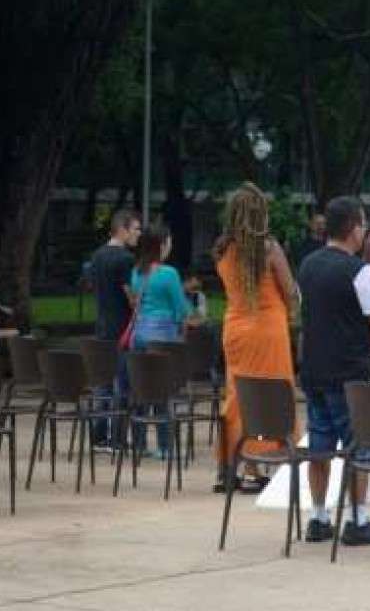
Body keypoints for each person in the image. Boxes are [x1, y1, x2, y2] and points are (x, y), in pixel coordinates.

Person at [296, 195, 370, 547]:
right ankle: (357, 518)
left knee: (319, 445)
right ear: (354, 228)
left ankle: (319, 516)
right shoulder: (359, 270)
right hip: (350, 373)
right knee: (358, 447)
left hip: (314, 370)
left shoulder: (307, 265)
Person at [212, 182, 298, 495]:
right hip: (268, 328)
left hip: (235, 326)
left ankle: (230, 466)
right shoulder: (269, 248)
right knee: (273, 395)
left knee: (238, 394)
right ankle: (258, 463)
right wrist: (293, 312)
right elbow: (288, 289)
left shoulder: (223, 248)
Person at [125, 224, 199, 455]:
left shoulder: (137, 271)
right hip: (163, 337)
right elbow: (180, 309)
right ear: (162, 245)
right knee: (163, 393)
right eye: (168, 242)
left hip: (139, 336)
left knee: (141, 390)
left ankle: (139, 445)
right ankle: (165, 447)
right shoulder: (169, 273)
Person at [85, 207, 141, 447]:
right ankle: (118, 437)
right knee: (122, 383)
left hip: (102, 325)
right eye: (136, 229)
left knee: (103, 384)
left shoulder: (97, 256)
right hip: (121, 327)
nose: (138, 234)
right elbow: (130, 296)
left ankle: (99, 434)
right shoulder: (126, 259)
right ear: (122, 229)